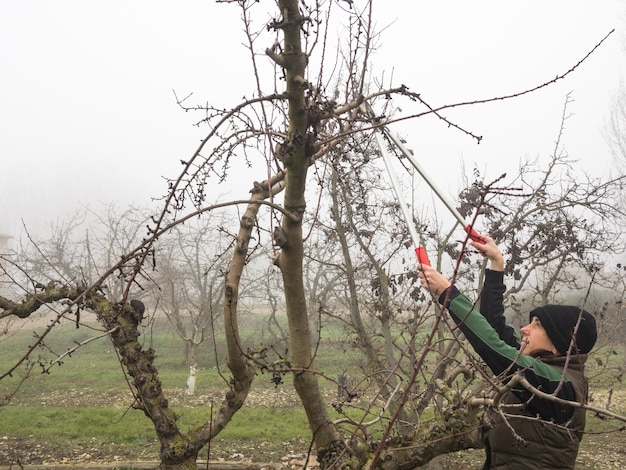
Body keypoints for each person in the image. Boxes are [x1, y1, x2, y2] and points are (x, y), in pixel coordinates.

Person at [418, 234, 597, 470]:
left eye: (537, 325)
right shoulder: (535, 368)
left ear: (558, 346)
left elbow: (496, 349)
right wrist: (496, 266)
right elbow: (494, 328)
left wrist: (448, 294)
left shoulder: (561, 387)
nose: (524, 328)